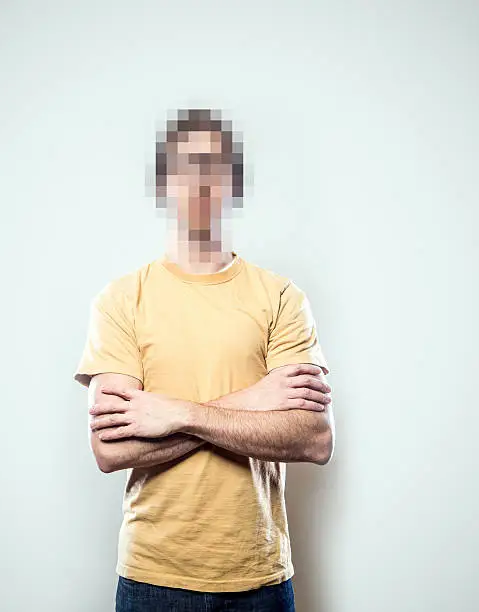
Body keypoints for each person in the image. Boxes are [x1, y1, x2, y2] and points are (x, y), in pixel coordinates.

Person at [73, 108, 334, 611]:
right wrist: (257, 400)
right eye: (186, 167)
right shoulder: (122, 300)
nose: (200, 182)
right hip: (154, 578)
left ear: (233, 183)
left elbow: (314, 437)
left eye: (215, 167)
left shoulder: (280, 297)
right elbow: (111, 450)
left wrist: (176, 413)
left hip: (260, 577)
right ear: (164, 183)